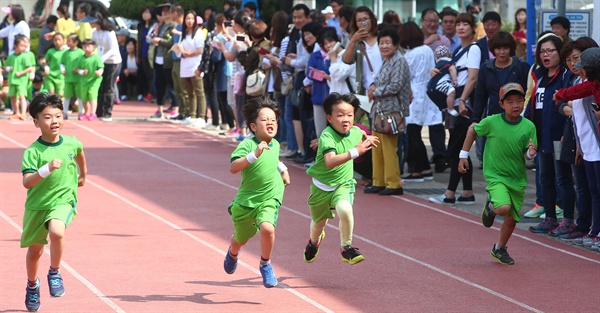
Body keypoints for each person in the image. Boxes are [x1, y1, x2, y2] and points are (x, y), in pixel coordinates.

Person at [20, 92, 87, 312]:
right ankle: (32, 285)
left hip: (63, 199)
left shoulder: (71, 142)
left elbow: (79, 152)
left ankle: (55, 272)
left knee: (57, 232)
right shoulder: (33, 152)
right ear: (36, 122)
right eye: (47, 117)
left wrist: (83, 175)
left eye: (58, 115)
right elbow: (27, 183)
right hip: (37, 205)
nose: (54, 121)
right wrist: (45, 169)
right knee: (35, 252)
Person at [459, 83, 537, 265]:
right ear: (501, 104)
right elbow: (472, 130)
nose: (515, 105)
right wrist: (463, 155)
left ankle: (499, 249)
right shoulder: (492, 121)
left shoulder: (528, 126)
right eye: (510, 102)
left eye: (519, 101)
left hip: (516, 178)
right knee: (503, 208)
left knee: (511, 220)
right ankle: (490, 208)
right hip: (496, 175)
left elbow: (527, 153)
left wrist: (530, 153)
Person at [304, 92, 379, 265]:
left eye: (350, 115)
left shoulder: (355, 131)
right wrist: (356, 152)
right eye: (340, 115)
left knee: (345, 210)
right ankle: (314, 242)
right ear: (329, 118)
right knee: (318, 224)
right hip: (321, 187)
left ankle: (346, 248)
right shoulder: (327, 136)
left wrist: (368, 137)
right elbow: (330, 162)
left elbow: (360, 131)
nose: (346, 119)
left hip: (343, 185)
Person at [223, 97, 290, 288]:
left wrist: (283, 170)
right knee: (239, 240)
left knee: (268, 228)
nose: (270, 122)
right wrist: (254, 154)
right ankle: (233, 252)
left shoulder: (275, 144)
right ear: (253, 126)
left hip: (269, 197)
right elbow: (233, 167)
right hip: (246, 202)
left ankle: (265, 264)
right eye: (265, 119)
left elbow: (274, 159)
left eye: (273, 119)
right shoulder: (247, 145)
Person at [428, 13, 481, 206]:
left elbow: (473, 78)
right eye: (458, 24)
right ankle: (467, 192)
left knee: (456, 150)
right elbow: (451, 72)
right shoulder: (459, 50)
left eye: (465, 24)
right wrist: (436, 72)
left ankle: (450, 193)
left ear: (473, 27)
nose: (460, 27)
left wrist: (463, 100)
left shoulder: (473, 49)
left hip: (464, 106)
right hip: (458, 104)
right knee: (461, 150)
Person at [525, 33, 575, 233]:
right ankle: (550, 219)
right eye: (542, 51)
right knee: (544, 177)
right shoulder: (538, 75)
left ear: (559, 52)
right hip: (540, 135)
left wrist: (566, 133)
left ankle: (568, 220)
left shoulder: (565, 76)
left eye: (550, 51)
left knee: (562, 178)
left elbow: (565, 107)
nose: (546, 55)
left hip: (559, 135)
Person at [552, 39, 598, 240]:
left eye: (578, 61)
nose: (574, 66)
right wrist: (561, 96)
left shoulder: (593, 83)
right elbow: (576, 93)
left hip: (596, 145)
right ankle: (594, 229)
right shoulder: (585, 83)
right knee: (593, 189)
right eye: (569, 60)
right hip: (587, 145)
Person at [364, 27, 410, 196]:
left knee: (390, 149)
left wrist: (374, 92)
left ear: (396, 44)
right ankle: (379, 181)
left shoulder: (399, 61)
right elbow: (377, 81)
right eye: (381, 43)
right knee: (377, 147)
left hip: (392, 111)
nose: (384, 46)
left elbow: (396, 85)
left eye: (387, 43)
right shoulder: (387, 60)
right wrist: (372, 87)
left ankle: (393, 183)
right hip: (379, 111)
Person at [401, 22, 441, 182]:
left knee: (412, 132)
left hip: (414, 94)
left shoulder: (410, 54)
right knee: (416, 132)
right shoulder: (427, 50)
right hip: (427, 92)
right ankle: (424, 167)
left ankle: (418, 168)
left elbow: (406, 75)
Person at [82, 13, 122, 122]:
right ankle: (98, 112)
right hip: (101, 62)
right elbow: (94, 47)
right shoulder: (94, 32)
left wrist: (101, 59)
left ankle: (108, 112)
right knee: (100, 86)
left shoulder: (109, 33)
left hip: (113, 61)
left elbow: (113, 49)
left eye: (91, 21)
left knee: (109, 87)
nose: (89, 24)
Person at [177, 10, 205, 126]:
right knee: (189, 92)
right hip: (185, 65)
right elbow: (179, 47)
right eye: (187, 18)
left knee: (199, 91)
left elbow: (200, 49)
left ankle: (202, 116)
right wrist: (181, 51)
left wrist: (189, 53)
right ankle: (192, 115)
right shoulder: (183, 33)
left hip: (195, 64)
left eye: (192, 19)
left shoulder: (198, 33)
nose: (189, 21)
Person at [4, 35, 35, 121]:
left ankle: (23, 113)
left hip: (22, 80)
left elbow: (30, 67)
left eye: (24, 46)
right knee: (13, 96)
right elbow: (4, 65)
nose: (23, 48)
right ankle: (16, 112)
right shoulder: (11, 56)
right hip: (12, 80)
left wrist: (21, 73)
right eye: (21, 46)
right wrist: (8, 68)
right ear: (15, 46)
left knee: (22, 96)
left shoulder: (25, 56)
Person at [73, 39, 104, 121]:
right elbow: (75, 69)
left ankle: (93, 113)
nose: (87, 48)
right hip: (83, 81)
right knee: (84, 98)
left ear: (93, 48)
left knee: (92, 96)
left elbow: (101, 67)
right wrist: (81, 71)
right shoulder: (81, 58)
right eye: (85, 46)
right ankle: (86, 113)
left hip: (94, 81)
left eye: (89, 46)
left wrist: (99, 72)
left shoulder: (96, 58)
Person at [60, 34, 84, 119]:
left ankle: (81, 113)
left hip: (79, 79)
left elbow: (84, 63)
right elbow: (62, 63)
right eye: (68, 40)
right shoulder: (65, 53)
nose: (68, 42)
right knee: (67, 96)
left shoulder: (81, 52)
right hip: (68, 78)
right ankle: (65, 112)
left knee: (80, 96)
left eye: (70, 41)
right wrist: (62, 69)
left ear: (76, 42)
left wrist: (79, 70)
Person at [432, 45, 459, 117]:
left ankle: (445, 107)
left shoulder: (438, 63)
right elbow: (452, 69)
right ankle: (450, 109)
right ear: (450, 54)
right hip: (442, 83)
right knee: (451, 92)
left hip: (435, 84)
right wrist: (455, 80)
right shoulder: (449, 62)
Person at [43, 33, 67, 97]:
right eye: (55, 40)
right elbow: (45, 61)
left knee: (60, 95)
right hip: (50, 75)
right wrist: (46, 68)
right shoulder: (50, 51)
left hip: (61, 76)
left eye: (59, 40)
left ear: (63, 40)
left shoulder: (66, 52)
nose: (57, 42)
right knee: (51, 95)